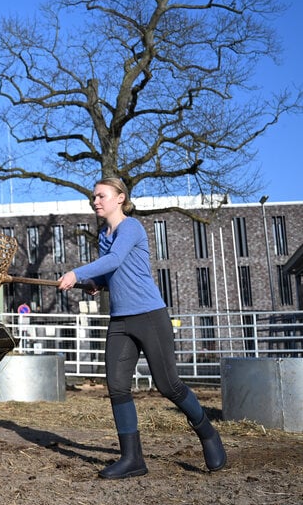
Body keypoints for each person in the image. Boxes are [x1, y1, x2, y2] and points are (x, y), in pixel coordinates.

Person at [57, 178, 226, 479]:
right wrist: (95, 283)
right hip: (120, 320)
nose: (95, 201)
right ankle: (132, 458)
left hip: (149, 316)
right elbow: (114, 271)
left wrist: (75, 273)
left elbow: (115, 258)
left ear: (120, 198)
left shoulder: (131, 227)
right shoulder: (103, 235)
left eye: (101, 196)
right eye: (93, 197)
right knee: (118, 387)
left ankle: (208, 434)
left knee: (169, 386)